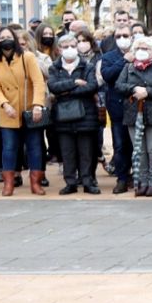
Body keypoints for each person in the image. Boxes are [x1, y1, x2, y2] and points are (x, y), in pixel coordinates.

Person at [0, 26, 50, 196]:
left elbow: (38, 82)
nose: (5, 40)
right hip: (8, 111)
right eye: (1, 38)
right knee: (9, 148)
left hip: (31, 110)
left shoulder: (27, 57)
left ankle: (36, 183)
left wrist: (37, 104)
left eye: (8, 37)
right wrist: (4, 104)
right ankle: (9, 184)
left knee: (35, 147)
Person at [115, 35, 152, 197]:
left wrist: (147, 92)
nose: (141, 52)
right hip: (133, 113)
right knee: (139, 150)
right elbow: (119, 86)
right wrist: (134, 89)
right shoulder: (128, 68)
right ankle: (141, 182)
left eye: (145, 49)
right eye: (139, 49)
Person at [47, 34, 102, 194]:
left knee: (86, 152)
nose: (69, 49)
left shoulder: (87, 66)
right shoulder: (54, 67)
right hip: (63, 117)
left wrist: (65, 91)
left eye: (72, 45)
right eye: (65, 47)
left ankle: (87, 181)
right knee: (67, 151)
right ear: (59, 50)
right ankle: (70, 182)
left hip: (86, 115)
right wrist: (74, 83)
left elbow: (91, 87)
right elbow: (53, 87)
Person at [98, 23, 135, 193]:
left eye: (125, 36)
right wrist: (123, 60)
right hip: (117, 107)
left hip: (137, 106)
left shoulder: (140, 53)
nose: (122, 39)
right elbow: (108, 75)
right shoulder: (109, 57)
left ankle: (137, 176)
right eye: (119, 36)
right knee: (120, 145)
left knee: (137, 144)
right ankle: (122, 178)